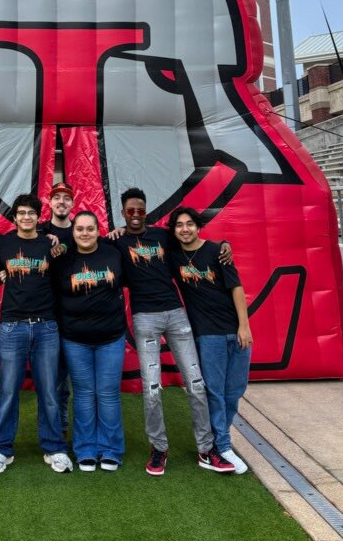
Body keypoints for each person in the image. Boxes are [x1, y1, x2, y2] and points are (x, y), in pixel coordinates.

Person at [107, 187, 234, 476]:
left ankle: (206, 449)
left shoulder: (162, 235)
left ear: (146, 211)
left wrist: (224, 243)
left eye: (140, 210)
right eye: (130, 210)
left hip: (176, 315)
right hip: (145, 319)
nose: (136, 215)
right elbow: (90, 249)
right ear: (123, 212)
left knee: (196, 384)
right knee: (152, 389)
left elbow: (194, 240)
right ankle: (158, 448)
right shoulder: (117, 241)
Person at [0, 194, 72, 474]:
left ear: (38, 217)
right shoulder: (2, 243)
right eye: (21, 213)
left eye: (31, 213)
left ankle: (54, 447)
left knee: (49, 391)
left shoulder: (49, 244)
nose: (26, 217)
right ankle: (1, 448)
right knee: (9, 390)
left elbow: (70, 252)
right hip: (13, 326)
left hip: (46, 326)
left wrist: (61, 242)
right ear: (14, 217)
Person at [169, 206, 252, 474]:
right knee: (214, 392)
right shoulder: (173, 256)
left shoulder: (217, 251)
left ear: (198, 226)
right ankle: (223, 446)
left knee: (234, 391)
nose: (185, 229)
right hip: (207, 335)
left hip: (235, 331)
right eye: (179, 225)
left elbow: (236, 288)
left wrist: (244, 326)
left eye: (189, 224)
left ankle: (218, 440)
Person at [53, 210, 126, 472]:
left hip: (111, 338)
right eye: (80, 229)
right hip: (75, 340)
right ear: (73, 232)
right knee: (83, 394)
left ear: (98, 230)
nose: (85, 233)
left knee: (107, 394)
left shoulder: (113, 252)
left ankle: (111, 449)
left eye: (90, 228)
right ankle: (85, 449)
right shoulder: (62, 259)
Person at [38, 181, 75, 432]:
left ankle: (65, 425)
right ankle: (54, 427)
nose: (61, 202)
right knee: (52, 377)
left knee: (72, 379)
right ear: (49, 202)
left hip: (76, 313)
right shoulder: (39, 230)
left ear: (72, 203)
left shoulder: (81, 228)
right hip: (46, 314)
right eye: (57, 197)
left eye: (66, 198)